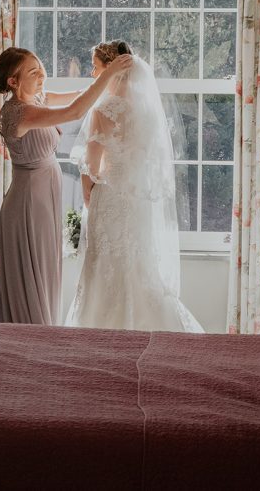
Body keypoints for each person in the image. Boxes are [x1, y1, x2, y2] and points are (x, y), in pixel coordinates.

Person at [66, 40, 203, 332]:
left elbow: (91, 165)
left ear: (112, 70)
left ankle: (101, 331)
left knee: (105, 265)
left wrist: (87, 193)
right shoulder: (147, 111)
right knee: (139, 263)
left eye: (95, 67)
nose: (93, 74)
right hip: (138, 201)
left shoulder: (104, 109)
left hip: (110, 197)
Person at [0, 46, 132, 325]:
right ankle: (30, 339)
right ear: (13, 82)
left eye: (40, 67)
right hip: (29, 200)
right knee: (33, 273)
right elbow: (76, 111)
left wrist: (110, 81)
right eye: (33, 71)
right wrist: (110, 72)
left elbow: (81, 98)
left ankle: (39, 336)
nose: (42, 74)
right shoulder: (19, 113)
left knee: (44, 271)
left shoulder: (39, 100)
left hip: (44, 195)